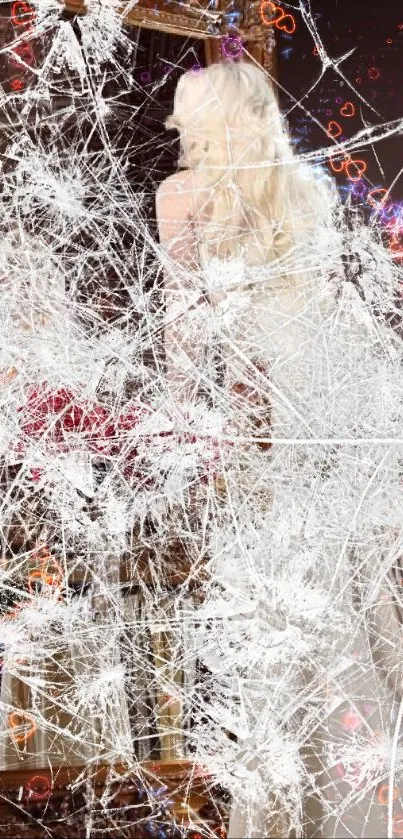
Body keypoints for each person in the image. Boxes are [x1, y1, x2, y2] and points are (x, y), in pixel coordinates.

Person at [156, 60, 403, 838]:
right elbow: (334, 311)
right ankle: (362, 807)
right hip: (325, 412)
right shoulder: (309, 189)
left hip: (256, 412)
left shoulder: (182, 196)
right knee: (337, 605)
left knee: (278, 613)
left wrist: (183, 426)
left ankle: (287, 812)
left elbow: (182, 329)